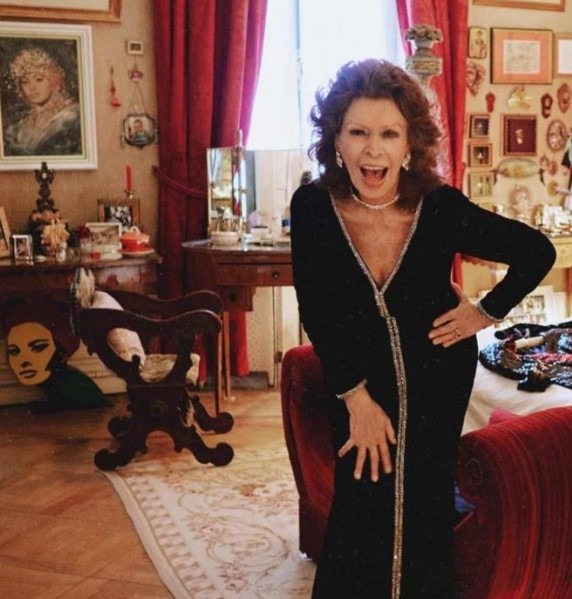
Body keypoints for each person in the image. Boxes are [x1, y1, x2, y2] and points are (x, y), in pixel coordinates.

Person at [290, 59, 556, 599]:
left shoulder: (439, 207)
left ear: (409, 142)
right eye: (358, 132)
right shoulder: (314, 207)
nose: (373, 150)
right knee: (361, 496)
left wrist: (486, 312)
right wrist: (356, 399)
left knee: (427, 499)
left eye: (389, 134)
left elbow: (537, 251)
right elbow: (316, 308)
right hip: (358, 380)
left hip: (438, 373)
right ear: (335, 139)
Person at [3, 47, 81, 156]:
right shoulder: (20, 126)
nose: (31, 87)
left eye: (39, 79)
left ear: (54, 81)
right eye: (25, 82)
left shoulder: (71, 116)